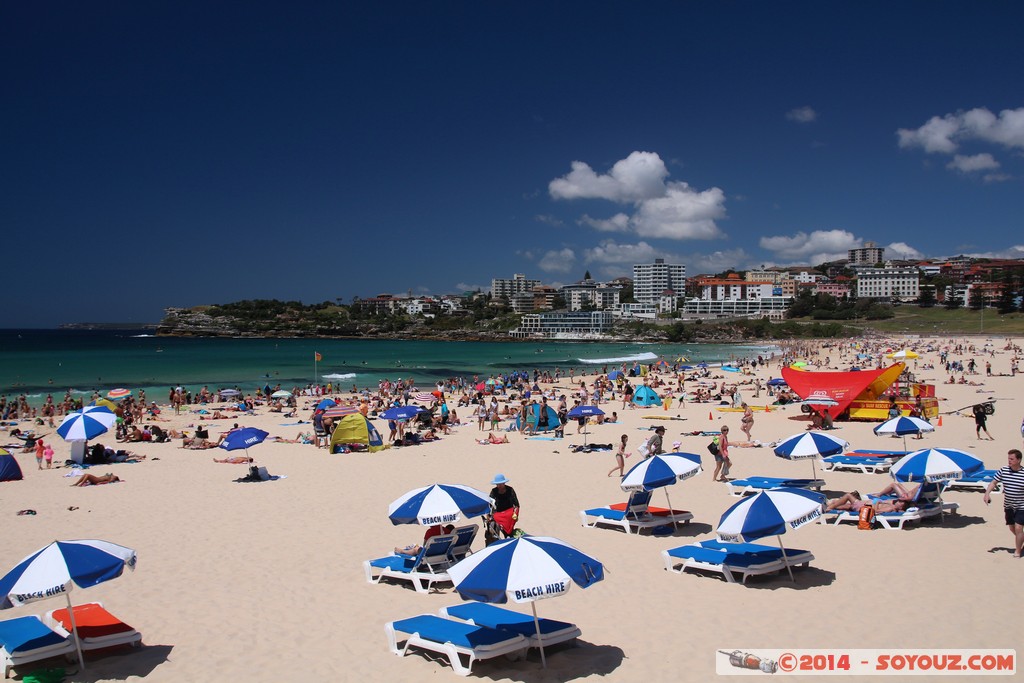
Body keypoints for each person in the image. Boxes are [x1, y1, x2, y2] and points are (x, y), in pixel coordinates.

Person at [984, 449, 1024, 558]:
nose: (1009, 461)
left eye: (1012, 459)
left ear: (1019, 460)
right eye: (1008, 459)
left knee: (1018, 528)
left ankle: (1018, 551)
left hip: (1022, 506)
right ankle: (1021, 541)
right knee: (1012, 528)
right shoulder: (1004, 470)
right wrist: (987, 494)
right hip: (1008, 505)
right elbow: (993, 482)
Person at [825, 490, 906, 514]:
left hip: (863, 508)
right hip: (863, 505)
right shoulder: (891, 505)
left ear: (901, 506)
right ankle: (829, 505)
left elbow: (876, 511)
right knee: (847, 505)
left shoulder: (890, 508)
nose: (898, 501)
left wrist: (876, 502)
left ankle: (829, 507)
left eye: (900, 502)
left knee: (848, 496)